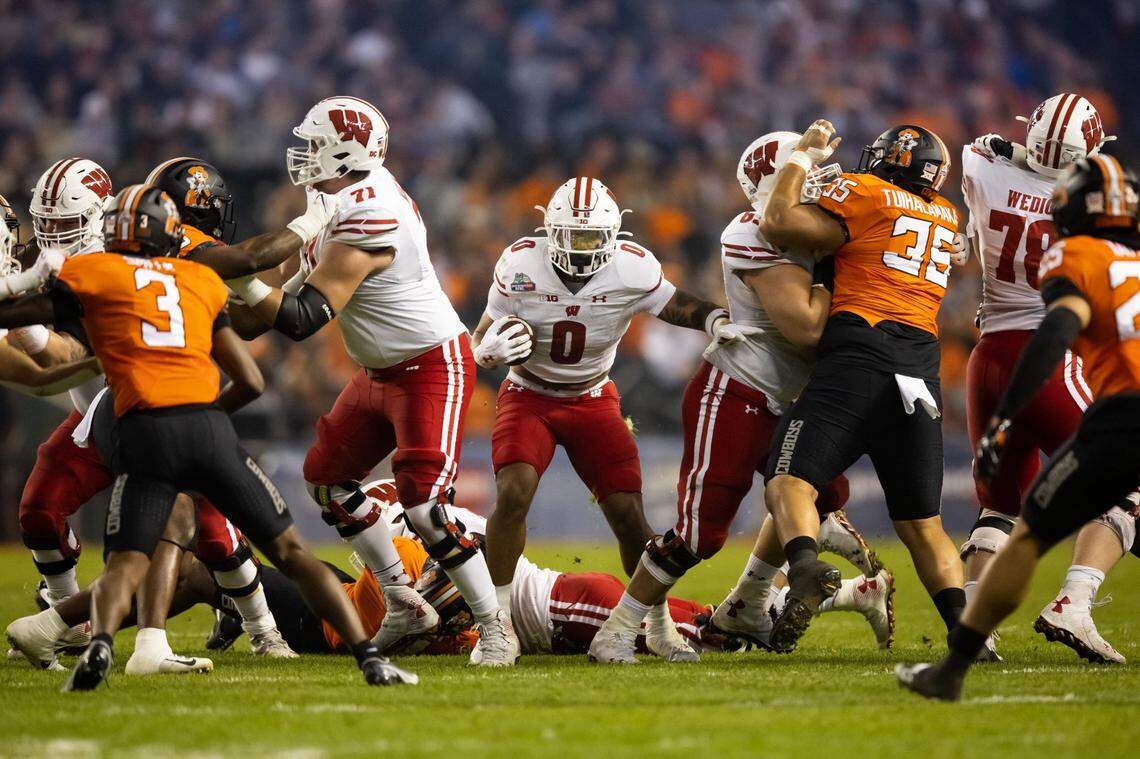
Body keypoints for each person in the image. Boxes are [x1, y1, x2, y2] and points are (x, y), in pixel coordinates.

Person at [0, 184, 415, 690]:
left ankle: (100, 644)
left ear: (110, 232)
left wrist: (19, 281)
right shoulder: (198, 279)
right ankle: (369, 658)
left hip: (141, 428)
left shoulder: (93, 271)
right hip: (205, 426)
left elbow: (14, 321)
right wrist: (205, 418)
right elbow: (252, 381)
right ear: (172, 234)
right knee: (291, 552)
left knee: (128, 560)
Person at [228, 96, 513, 666]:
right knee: (328, 480)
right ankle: (402, 600)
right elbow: (269, 314)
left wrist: (230, 277)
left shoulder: (371, 208)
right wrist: (218, 304)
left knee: (425, 507)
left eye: (315, 145)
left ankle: (495, 626)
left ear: (346, 151)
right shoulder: (333, 198)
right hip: (380, 369)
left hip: (432, 363)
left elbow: (305, 317)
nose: (304, 156)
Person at [587, 133, 892, 663]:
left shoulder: (816, 227)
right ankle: (616, 630)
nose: (819, 182)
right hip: (737, 389)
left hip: (794, 397)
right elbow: (805, 330)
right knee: (700, 534)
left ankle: (749, 603)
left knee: (809, 499)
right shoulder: (751, 232)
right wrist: (854, 272)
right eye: (802, 173)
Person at [897, 154, 1140, 701]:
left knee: (1024, 532)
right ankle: (1071, 601)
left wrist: (1005, 416)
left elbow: (1055, 329)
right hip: (1108, 405)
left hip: (1117, 413)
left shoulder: (1073, 253)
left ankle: (958, 667)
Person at [471, 176, 739, 663]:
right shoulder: (519, 263)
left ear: (614, 235)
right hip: (527, 394)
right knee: (513, 493)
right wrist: (483, 350)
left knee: (628, 516)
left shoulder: (632, 269)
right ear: (548, 230)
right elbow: (484, 330)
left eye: (591, 238)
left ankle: (656, 628)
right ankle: (498, 624)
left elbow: (673, 303)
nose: (579, 250)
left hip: (593, 398)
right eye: (571, 237)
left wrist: (713, 318)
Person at [752, 120, 966, 653]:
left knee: (788, 480)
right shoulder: (946, 214)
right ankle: (969, 635)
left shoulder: (869, 191)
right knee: (925, 525)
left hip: (859, 356)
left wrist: (800, 158)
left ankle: (804, 569)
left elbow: (777, 220)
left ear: (893, 160)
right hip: (920, 371)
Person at [960, 93, 1114, 660]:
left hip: (988, 357)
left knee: (999, 503)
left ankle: (974, 626)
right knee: (1123, 477)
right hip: (1050, 354)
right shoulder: (1093, 204)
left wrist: (1012, 154)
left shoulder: (981, 166)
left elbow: (979, 151)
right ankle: (1075, 599)